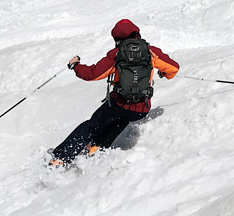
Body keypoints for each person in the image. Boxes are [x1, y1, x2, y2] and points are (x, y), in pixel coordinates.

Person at [48, 19, 179, 167]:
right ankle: (98, 146)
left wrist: (76, 66)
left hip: (119, 103)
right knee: (122, 119)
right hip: (141, 109)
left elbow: (92, 74)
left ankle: (60, 157)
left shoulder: (117, 54)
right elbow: (173, 69)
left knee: (92, 126)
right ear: (137, 33)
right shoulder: (150, 51)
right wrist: (164, 73)